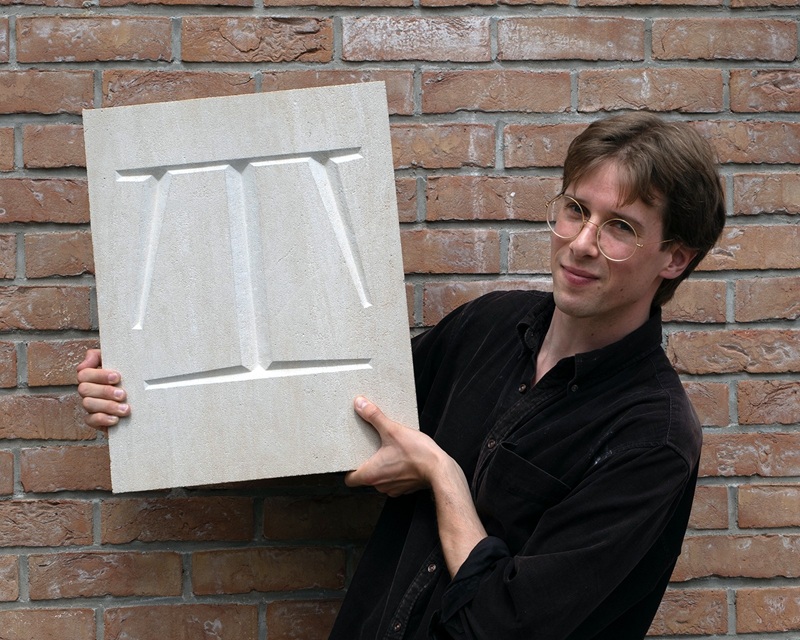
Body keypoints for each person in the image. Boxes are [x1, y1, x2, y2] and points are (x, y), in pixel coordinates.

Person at [78, 112, 726, 639]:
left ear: (673, 256)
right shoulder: (490, 328)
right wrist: (144, 391)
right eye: (575, 210)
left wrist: (443, 476)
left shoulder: (652, 439)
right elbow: (325, 409)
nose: (581, 242)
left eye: (619, 228)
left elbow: (502, 627)